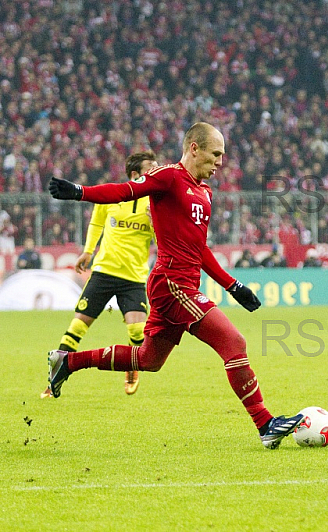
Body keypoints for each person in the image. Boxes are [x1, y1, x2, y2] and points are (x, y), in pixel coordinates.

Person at [47, 122, 303, 449]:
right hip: (172, 284)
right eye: (216, 154)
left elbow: (200, 249)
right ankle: (265, 423)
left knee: (150, 359)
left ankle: (66, 362)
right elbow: (125, 192)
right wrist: (80, 193)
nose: (220, 162)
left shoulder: (205, 193)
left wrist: (233, 286)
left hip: (182, 284)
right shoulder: (167, 176)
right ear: (194, 148)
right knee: (234, 342)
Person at [41, 151, 158, 399]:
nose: (157, 171)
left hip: (134, 277)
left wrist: (156, 223)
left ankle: (131, 367)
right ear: (136, 175)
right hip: (104, 272)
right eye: (152, 167)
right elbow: (96, 223)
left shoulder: (156, 203)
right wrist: (87, 252)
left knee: (138, 332)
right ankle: (53, 380)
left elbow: (163, 240)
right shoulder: (114, 196)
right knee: (77, 326)